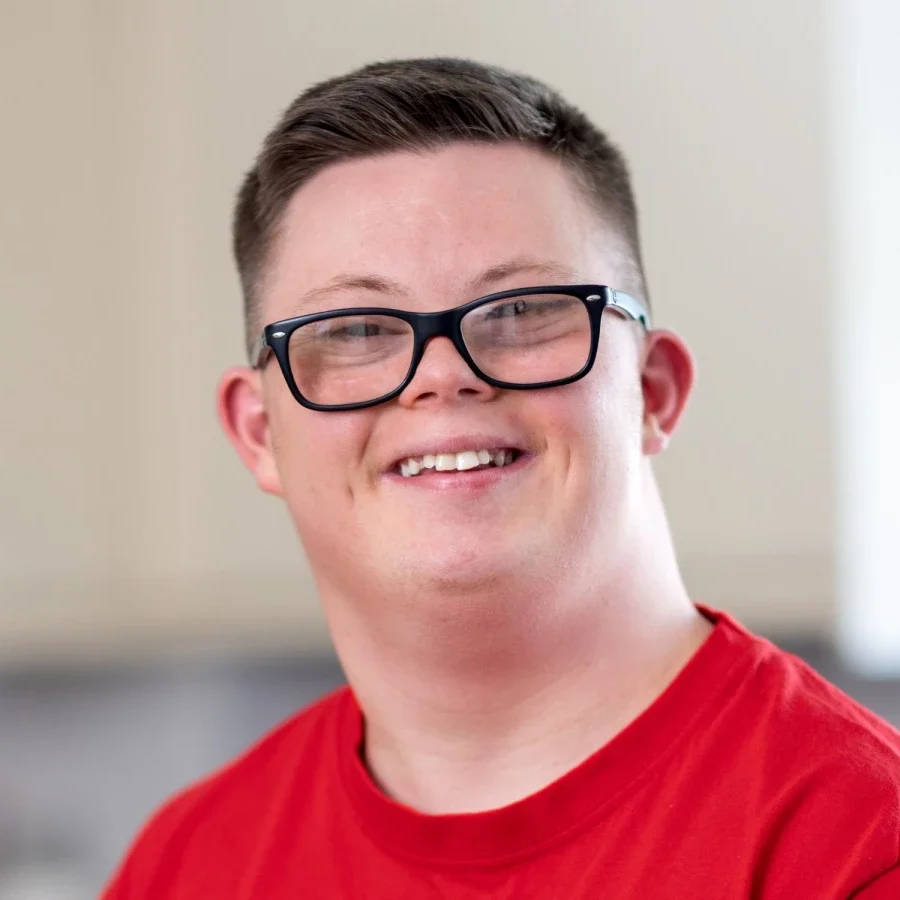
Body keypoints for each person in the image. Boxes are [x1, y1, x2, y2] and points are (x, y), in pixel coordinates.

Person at [103, 57, 900, 898]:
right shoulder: (187, 866)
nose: (442, 376)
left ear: (651, 393)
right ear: (259, 434)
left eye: (520, 311)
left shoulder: (855, 846)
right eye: (357, 329)